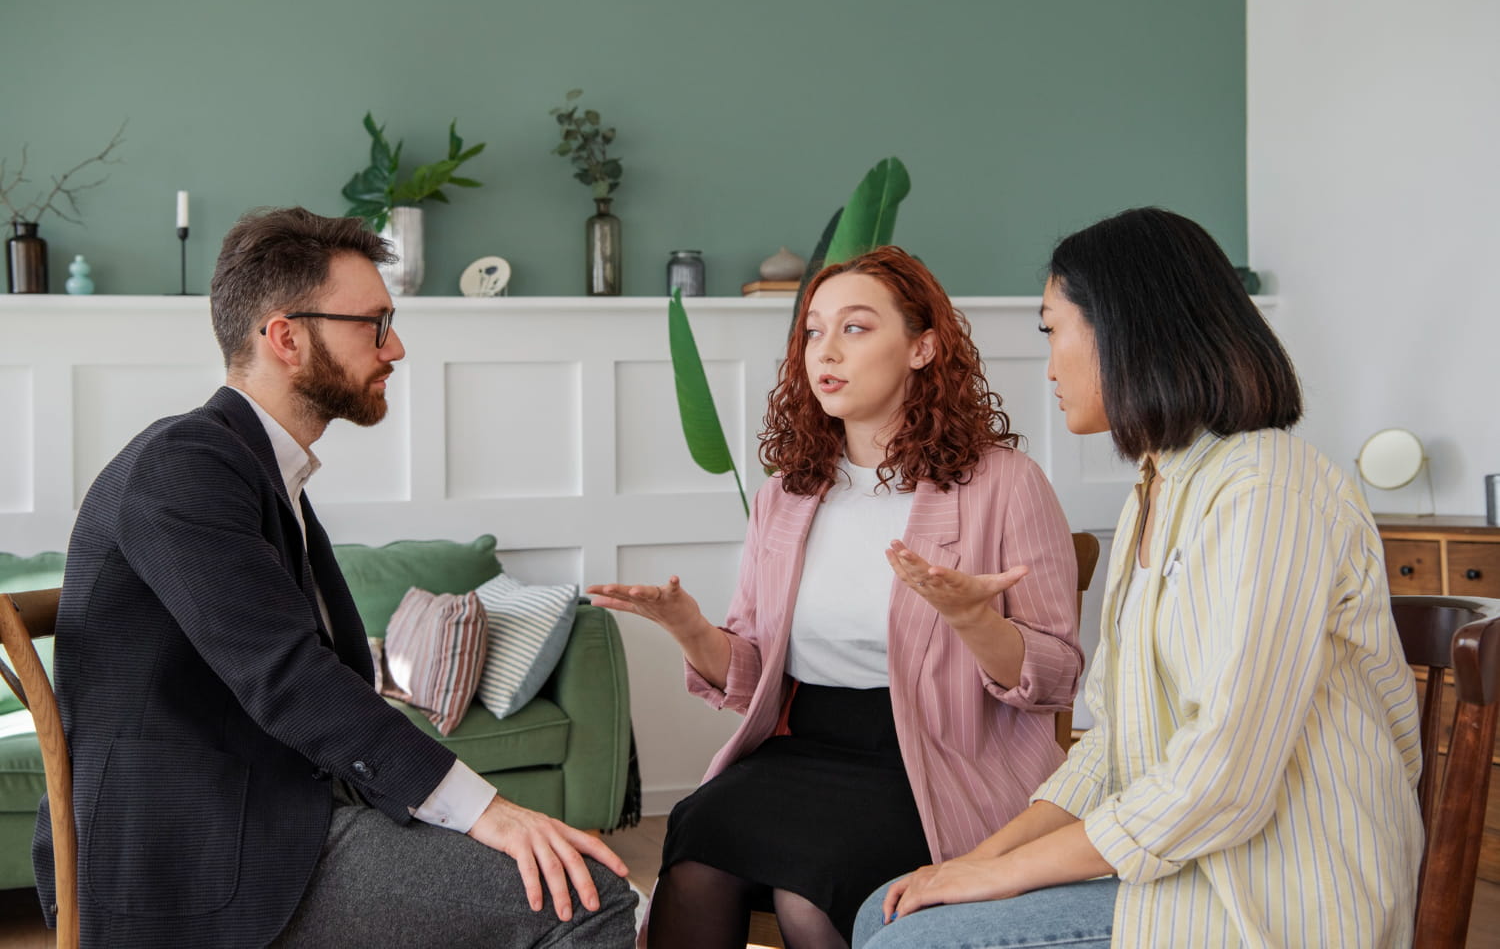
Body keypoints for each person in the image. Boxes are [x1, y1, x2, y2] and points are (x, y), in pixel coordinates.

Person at [34, 207, 637, 948]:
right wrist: (488, 812)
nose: (398, 348)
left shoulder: (262, 472)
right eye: (374, 325)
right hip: (202, 857)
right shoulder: (183, 465)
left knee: (552, 875)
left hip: (280, 816)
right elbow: (288, 676)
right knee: (591, 896)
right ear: (287, 337)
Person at [853, 208, 1424, 948]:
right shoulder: (1158, 487)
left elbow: (1222, 777)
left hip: (1276, 895)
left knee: (911, 941)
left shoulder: (1268, 490)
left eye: (1053, 331)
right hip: (1184, 868)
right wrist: (975, 861)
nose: (1050, 365)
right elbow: (1112, 746)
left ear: (1127, 330)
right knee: (889, 910)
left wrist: (1001, 878)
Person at [588, 246, 1082, 949]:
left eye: (855, 328)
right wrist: (691, 628)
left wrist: (976, 622)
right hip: (804, 748)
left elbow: (1056, 676)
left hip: (936, 760)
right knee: (694, 856)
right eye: (815, 331)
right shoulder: (786, 497)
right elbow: (752, 674)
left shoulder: (1005, 483)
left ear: (922, 347)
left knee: (808, 892)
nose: (828, 350)